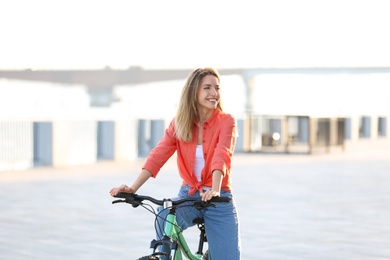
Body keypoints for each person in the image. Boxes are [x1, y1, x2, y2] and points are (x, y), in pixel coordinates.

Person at [109, 67, 241, 259]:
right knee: (163, 216)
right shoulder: (179, 123)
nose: (214, 93)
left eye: (217, 88)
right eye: (207, 88)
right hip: (189, 194)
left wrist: (215, 188)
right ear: (193, 91)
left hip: (218, 199)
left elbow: (222, 155)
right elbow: (158, 155)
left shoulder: (226, 121)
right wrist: (133, 188)